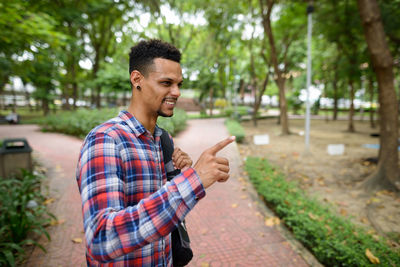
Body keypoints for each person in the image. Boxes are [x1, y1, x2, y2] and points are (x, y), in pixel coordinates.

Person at [76, 39, 235, 266]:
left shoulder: (164, 139)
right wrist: (193, 181)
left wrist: (182, 174)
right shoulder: (106, 140)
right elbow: (101, 238)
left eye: (179, 84)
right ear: (137, 79)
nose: (176, 92)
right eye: (166, 83)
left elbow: (161, 211)